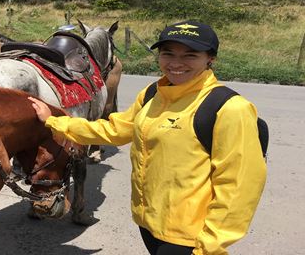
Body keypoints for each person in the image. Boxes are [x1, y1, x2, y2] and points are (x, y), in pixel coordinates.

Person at [29, 20, 266, 255]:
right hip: (149, 225)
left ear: (210, 58)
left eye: (190, 55)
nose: (176, 63)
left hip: (191, 239)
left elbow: (239, 188)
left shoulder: (228, 108)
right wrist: (54, 121)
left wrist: (209, 247)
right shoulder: (154, 93)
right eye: (168, 53)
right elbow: (115, 130)